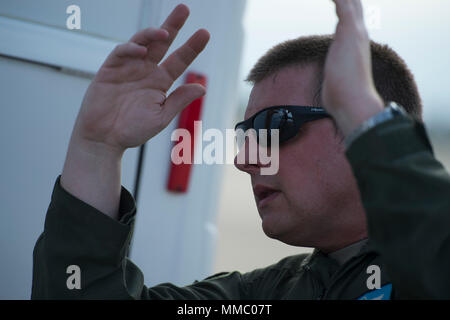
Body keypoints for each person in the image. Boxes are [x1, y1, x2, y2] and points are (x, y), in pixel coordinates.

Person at [32, 0, 450, 299]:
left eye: (271, 127)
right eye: (245, 135)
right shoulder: (258, 296)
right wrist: (96, 148)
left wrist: (367, 118)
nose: (246, 159)